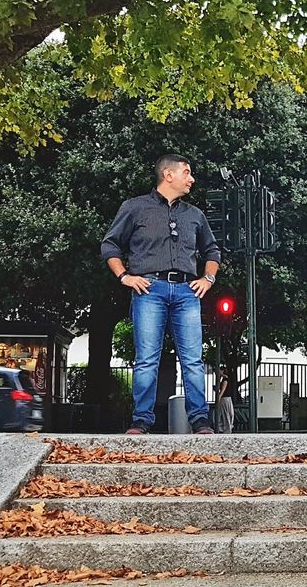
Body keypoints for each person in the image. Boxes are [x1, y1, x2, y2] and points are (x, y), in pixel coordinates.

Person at [102, 154, 222, 435]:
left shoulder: (194, 214)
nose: (191, 179)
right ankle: (141, 420)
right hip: (149, 289)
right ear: (168, 175)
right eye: (187, 173)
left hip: (187, 290)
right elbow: (110, 245)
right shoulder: (134, 208)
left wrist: (208, 278)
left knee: (193, 359)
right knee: (147, 358)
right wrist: (124, 276)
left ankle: (200, 420)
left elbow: (212, 250)